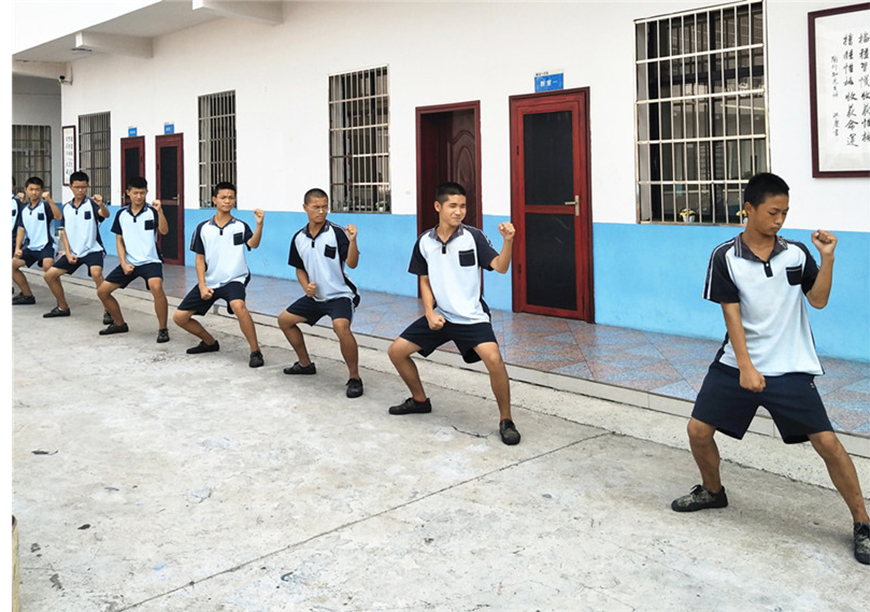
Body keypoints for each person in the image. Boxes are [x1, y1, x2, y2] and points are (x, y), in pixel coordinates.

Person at [671, 172, 869, 565]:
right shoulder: (725, 256)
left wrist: (827, 260)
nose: (780, 220)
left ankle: (863, 522)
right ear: (749, 210)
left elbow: (819, 300)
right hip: (737, 363)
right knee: (697, 431)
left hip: (791, 366)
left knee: (827, 443)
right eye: (773, 212)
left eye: (785, 213)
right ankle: (713, 491)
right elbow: (732, 316)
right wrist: (745, 366)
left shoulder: (795, 253)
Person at [386, 182, 520, 445]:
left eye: (463, 206)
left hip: (471, 318)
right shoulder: (425, 242)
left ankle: (506, 420)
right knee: (396, 352)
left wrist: (508, 242)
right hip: (442, 316)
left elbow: (500, 267)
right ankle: (419, 400)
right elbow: (424, 280)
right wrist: (428, 312)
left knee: (494, 361)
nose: (459, 212)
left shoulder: (474, 237)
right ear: (438, 207)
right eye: (453, 206)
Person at [277, 188, 363, 398]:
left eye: (325, 207)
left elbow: (352, 263)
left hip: (340, 295)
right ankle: (305, 364)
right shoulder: (298, 238)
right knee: (284, 320)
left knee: (340, 326)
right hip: (315, 297)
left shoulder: (337, 232)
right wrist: (306, 286)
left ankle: (354, 378)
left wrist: (353, 241)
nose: (321, 211)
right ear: (305, 208)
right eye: (316, 207)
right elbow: (299, 268)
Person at [172, 182, 265, 368]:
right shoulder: (203, 228)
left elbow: (253, 244)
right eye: (223, 197)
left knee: (238, 306)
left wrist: (259, 225)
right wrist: (201, 285)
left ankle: (255, 351)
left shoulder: (240, 226)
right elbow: (199, 259)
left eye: (231, 197)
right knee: (179, 317)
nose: (227, 201)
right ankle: (209, 342)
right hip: (210, 281)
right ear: (214, 200)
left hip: (234, 278)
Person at [96, 176, 170, 343]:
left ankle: (163, 329)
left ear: (146, 193)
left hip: (151, 261)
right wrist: (123, 262)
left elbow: (164, 231)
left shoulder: (152, 212)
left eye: (142, 193)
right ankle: (120, 323)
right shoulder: (122, 214)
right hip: (129, 261)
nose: (139, 196)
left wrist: (161, 211)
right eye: (135, 193)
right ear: (128, 193)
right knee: (102, 291)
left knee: (156, 287)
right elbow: (119, 240)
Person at [41, 171, 110, 318]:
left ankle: (108, 311)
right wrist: (68, 252)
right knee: (49, 276)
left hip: (93, 250)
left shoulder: (92, 204)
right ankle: (62, 307)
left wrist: (102, 205)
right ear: (70, 187)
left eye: (84, 187)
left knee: (97, 274)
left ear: (87, 187)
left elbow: (105, 215)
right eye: (77, 187)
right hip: (74, 252)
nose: (80, 190)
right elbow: (65, 231)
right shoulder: (66, 208)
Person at [12, 177, 62, 305]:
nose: (34, 192)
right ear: (26, 190)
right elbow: (21, 230)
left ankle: (61, 303)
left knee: (48, 268)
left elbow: (58, 216)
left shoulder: (45, 206)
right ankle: (27, 295)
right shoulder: (25, 209)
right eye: (31, 189)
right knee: (11, 266)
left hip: (47, 245)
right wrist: (18, 248)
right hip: (31, 247)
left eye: (37, 190)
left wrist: (50, 200)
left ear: (41, 191)